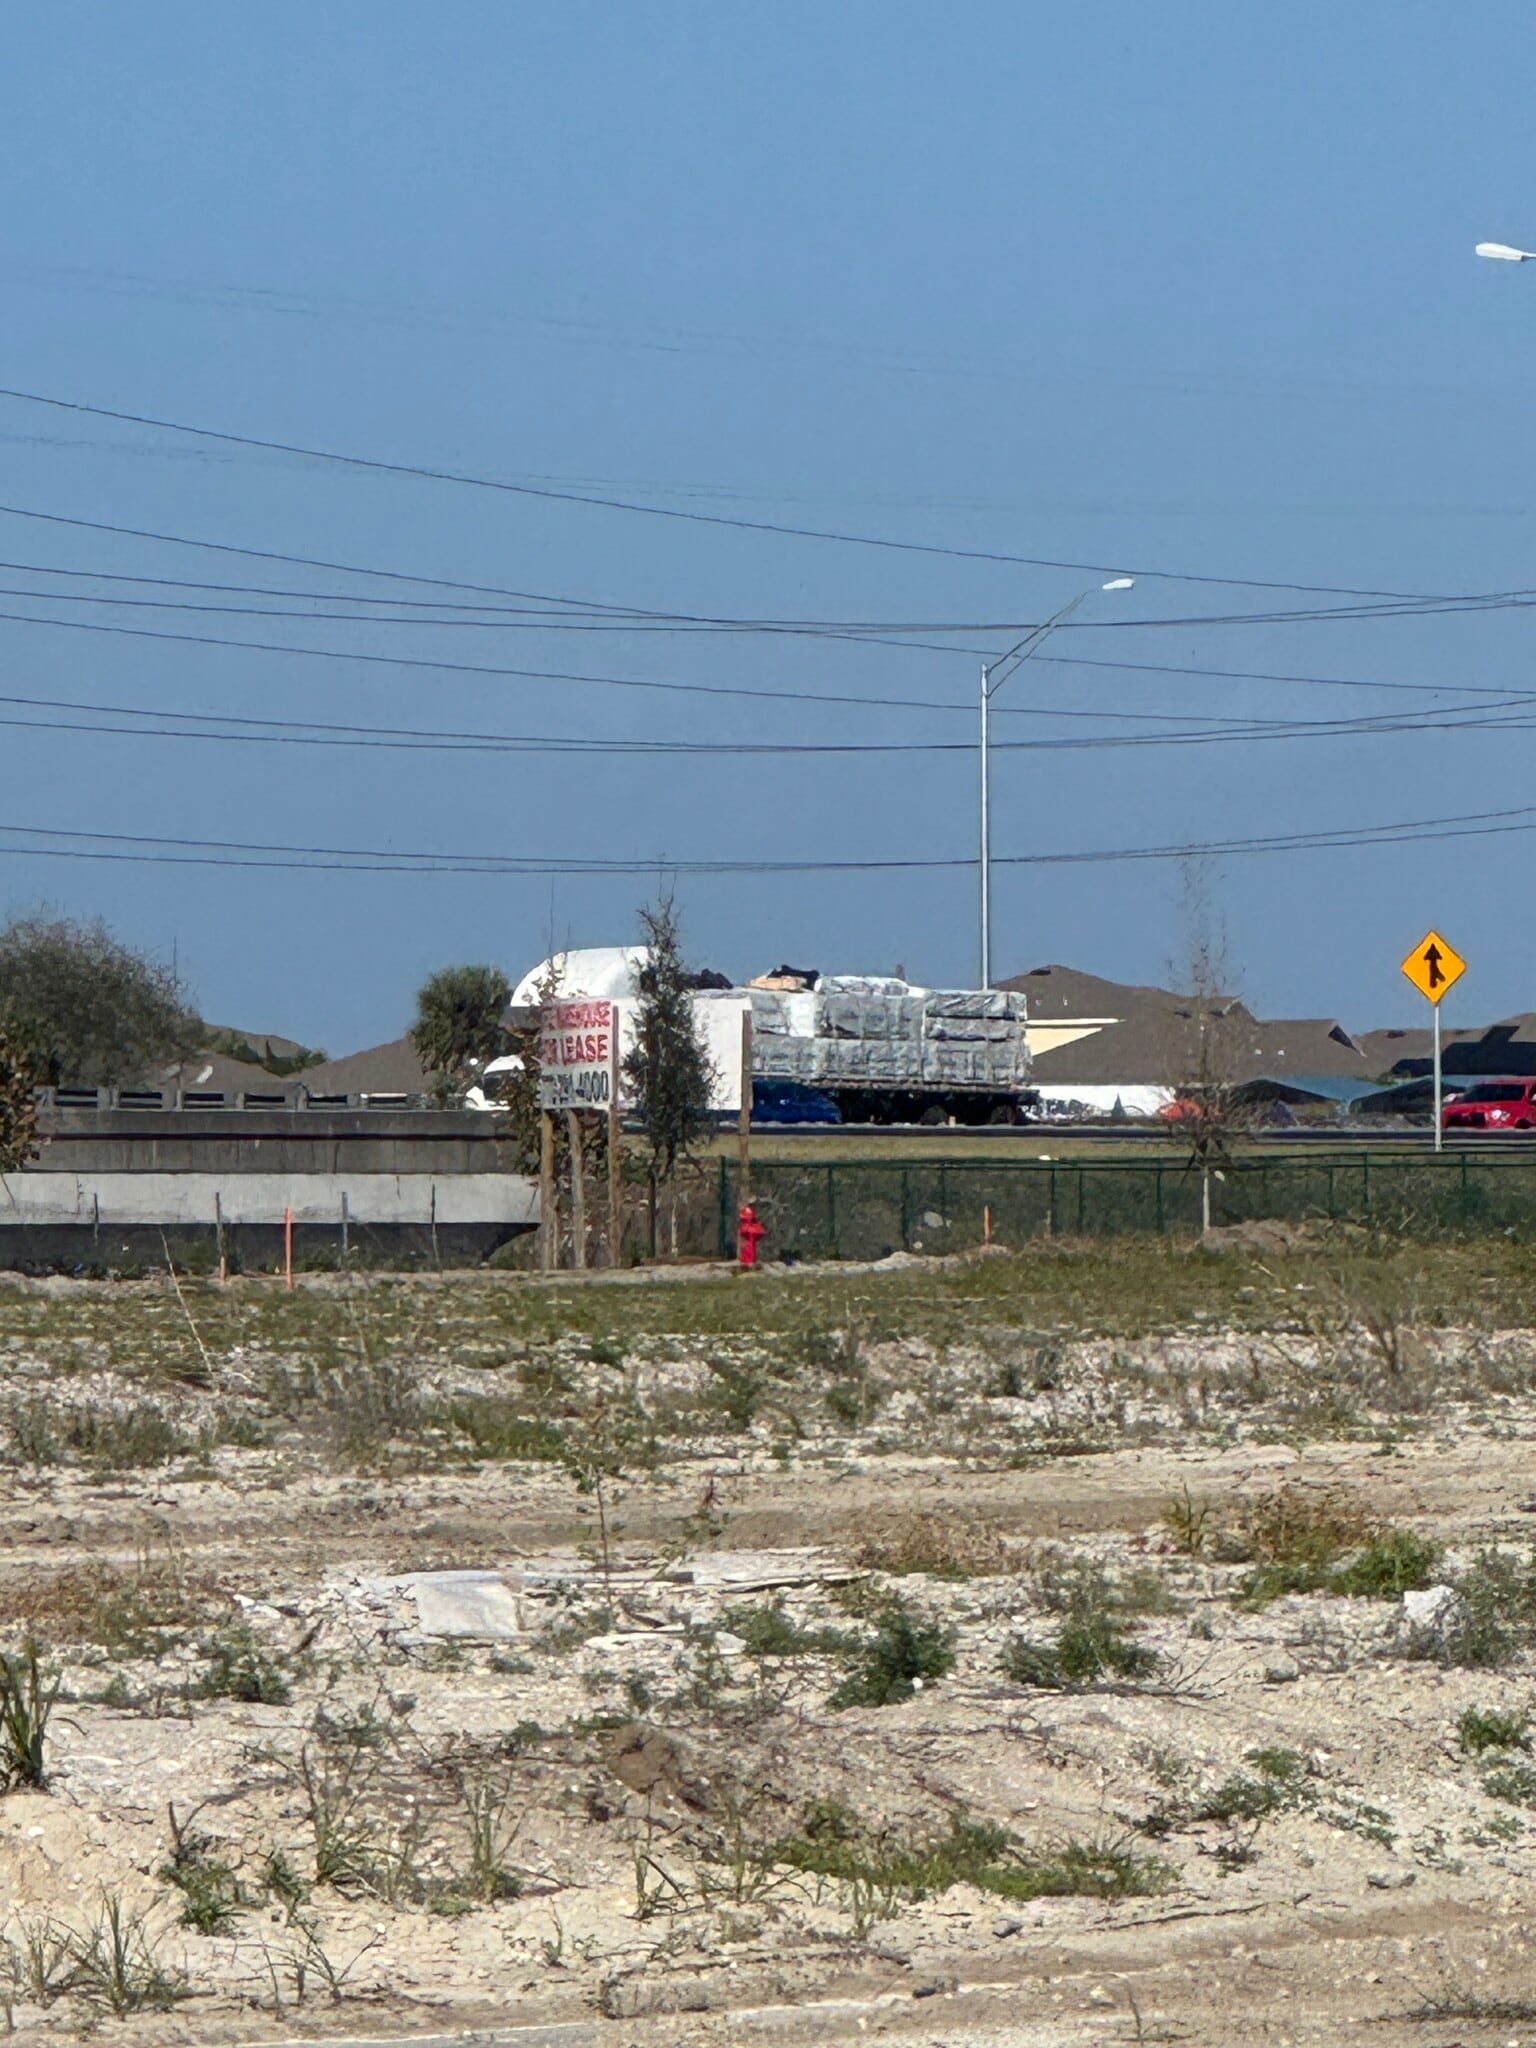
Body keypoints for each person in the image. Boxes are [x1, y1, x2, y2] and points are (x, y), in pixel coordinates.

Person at [737, 1201, 766, 1270]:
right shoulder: (749, 1211)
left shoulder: (747, 1211)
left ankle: (748, 1261)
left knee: (747, 1246)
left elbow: (745, 1218)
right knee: (750, 1245)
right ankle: (750, 1260)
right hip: (750, 1230)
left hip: (747, 1230)